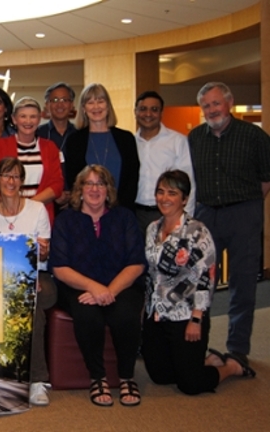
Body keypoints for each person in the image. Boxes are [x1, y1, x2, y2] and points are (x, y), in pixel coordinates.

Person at [141, 170, 254, 396]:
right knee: (161, 377)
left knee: (190, 384)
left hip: (185, 315)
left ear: (184, 199)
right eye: (160, 191)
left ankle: (230, 367)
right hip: (156, 314)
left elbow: (206, 278)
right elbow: (151, 273)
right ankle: (206, 359)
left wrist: (196, 318)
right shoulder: (152, 228)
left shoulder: (197, 232)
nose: (164, 198)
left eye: (172, 193)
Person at [188, 82, 270, 365]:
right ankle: (200, 346)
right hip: (206, 215)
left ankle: (237, 349)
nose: (212, 110)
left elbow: (266, 177)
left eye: (216, 104)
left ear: (229, 102)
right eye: (206, 106)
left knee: (243, 282)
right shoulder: (195, 137)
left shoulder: (253, 135)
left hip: (244, 214)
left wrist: (246, 204)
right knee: (202, 283)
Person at [51, 165, 146, 407]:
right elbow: (60, 267)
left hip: (121, 285)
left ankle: (126, 377)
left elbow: (136, 263)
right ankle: (98, 378)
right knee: (87, 315)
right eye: (89, 184)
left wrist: (109, 291)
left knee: (125, 314)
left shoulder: (125, 217)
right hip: (78, 286)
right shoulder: (66, 220)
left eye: (100, 184)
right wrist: (94, 287)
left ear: (108, 190)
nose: (95, 189)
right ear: (80, 189)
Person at [0, 157, 54, 406]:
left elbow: (44, 252)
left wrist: (37, 261)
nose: (11, 181)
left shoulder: (37, 210)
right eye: (6, 175)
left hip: (39, 277)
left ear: (22, 182)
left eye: (16, 176)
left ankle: (37, 381)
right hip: (3, 279)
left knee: (32, 305)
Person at [0, 96, 63, 225]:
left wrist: (27, 207)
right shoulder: (1, 146)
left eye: (33, 117)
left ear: (39, 119)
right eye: (23, 116)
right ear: (14, 119)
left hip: (41, 216)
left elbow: (57, 185)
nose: (28, 121)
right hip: (8, 217)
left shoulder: (50, 147)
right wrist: (14, 208)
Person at [64, 83, 140, 211]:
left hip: (121, 211)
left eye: (100, 101)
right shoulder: (74, 141)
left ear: (108, 106)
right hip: (85, 212)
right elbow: (74, 181)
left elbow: (132, 179)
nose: (96, 107)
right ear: (83, 108)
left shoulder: (126, 139)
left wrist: (119, 209)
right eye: (90, 102)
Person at [134, 91, 195, 233]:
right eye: (143, 109)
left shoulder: (177, 141)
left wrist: (186, 219)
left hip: (168, 213)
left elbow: (188, 182)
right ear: (135, 112)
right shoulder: (130, 143)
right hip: (136, 214)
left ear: (161, 113)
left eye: (154, 109)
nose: (148, 114)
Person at [37, 82, 77, 212]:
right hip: (44, 202)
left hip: (77, 203)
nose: (60, 105)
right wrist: (54, 194)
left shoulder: (80, 135)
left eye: (65, 100)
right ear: (47, 105)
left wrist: (74, 195)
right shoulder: (37, 134)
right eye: (54, 100)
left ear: (71, 105)